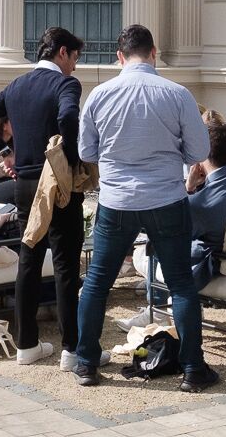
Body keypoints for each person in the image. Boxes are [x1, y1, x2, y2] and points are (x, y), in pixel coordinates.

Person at [71, 25, 216, 394]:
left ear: (120, 57)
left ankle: (86, 361)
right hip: (166, 196)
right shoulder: (178, 93)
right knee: (181, 284)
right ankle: (192, 368)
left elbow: (86, 153)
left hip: (117, 200)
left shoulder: (100, 94)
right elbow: (199, 151)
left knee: (98, 282)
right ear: (154, 53)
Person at [0, 26, 87, 367]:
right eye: (75, 58)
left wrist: (5, 152)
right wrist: (73, 157)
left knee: (29, 260)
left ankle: (26, 345)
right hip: (57, 183)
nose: (75, 67)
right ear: (62, 52)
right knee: (66, 264)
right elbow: (68, 116)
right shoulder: (65, 84)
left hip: (24, 182)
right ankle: (71, 349)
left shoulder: (16, 85)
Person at [131, 118, 226, 326]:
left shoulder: (199, 204)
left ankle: (159, 311)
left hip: (222, 265)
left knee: (154, 246)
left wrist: (188, 188)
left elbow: (173, 230)